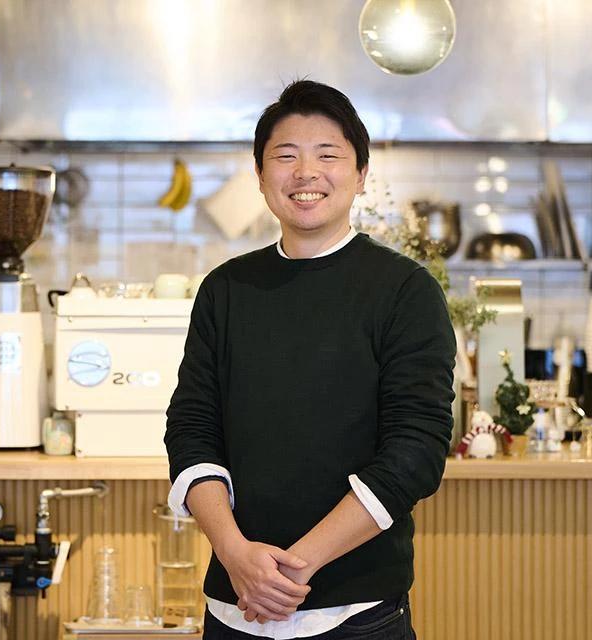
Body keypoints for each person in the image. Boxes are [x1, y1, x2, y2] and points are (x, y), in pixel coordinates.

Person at [165, 79, 455, 640]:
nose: (306, 173)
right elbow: (192, 429)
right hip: (234, 607)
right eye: (285, 156)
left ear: (362, 175)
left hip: (357, 614)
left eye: (328, 155)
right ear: (260, 175)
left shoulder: (404, 290)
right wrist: (235, 555)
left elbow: (415, 452)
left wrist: (293, 568)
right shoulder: (225, 289)